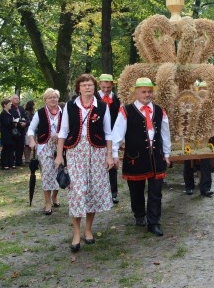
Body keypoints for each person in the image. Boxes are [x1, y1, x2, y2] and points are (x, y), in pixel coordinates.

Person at [55, 74, 114, 253]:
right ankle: (76, 233)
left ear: (94, 87)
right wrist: (59, 155)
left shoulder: (102, 107)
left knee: (92, 192)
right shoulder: (70, 107)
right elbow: (63, 131)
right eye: (84, 85)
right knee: (78, 192)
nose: (88, 87)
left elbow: (108, 133)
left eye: (90, 85)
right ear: (78, 88)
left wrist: (109, 155)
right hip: (75, 152)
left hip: (97, 152)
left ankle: (88, 229)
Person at [112, 78, 171, 236]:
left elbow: (165, 133)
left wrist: (166, 153)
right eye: (143, 92)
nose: (147, 94)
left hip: (156, 158)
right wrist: (114, 154)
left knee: (156, 192)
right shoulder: (126, 110)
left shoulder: (160, 110)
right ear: (136, 92)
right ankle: (139, 214)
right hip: (135, 157)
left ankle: (154, 222)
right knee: (136, 190)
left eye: (149, 91)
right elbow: (117, 133)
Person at [27, 89, 62, 215]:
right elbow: (31, 129)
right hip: (44, 147)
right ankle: (47, 202)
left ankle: (55, 196)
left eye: (55, 97)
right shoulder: (40, 113)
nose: (53, 100)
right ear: (45, 100)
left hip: (61, 147)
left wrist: (60, 134)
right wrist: (31, 140)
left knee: (60, 173)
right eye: (49, 98)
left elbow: (70, 129)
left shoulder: (64, 112)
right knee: (47, 174)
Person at [96, 73, 121, 204]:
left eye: (109, 87)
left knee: (112, 163)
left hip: (112, 136)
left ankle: (113, 192)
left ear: (112, 86)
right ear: (100, 85)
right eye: (104, 87)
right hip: (98, 136)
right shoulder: (94, 98)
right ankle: (98, 192)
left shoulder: (117, 100)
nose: (106, 90)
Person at [9, 94, 28, 167]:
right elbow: (13, 119)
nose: (17, 99)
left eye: (18, 98)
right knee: (14, 146)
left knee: (21, 146)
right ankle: (12, 161)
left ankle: (19, 161)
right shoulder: (10, 108)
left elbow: (26, 118)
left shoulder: (21, 108)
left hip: (22, 130)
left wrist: (25, 123)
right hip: (14, 130)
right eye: (15, 98)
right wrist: (21, 122)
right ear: (11, 100)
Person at [0, 99, 16, 170]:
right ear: (5, 105)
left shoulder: (10, 113)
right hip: (5, 134)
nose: (11, 105)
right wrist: (13, 123)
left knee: (11, 149)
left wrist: (14, 122)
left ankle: (11, 163)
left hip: (11, 134)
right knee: (6, 149)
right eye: (9, 104)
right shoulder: (3, 114)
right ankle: (4, 164)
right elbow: (6, 124)